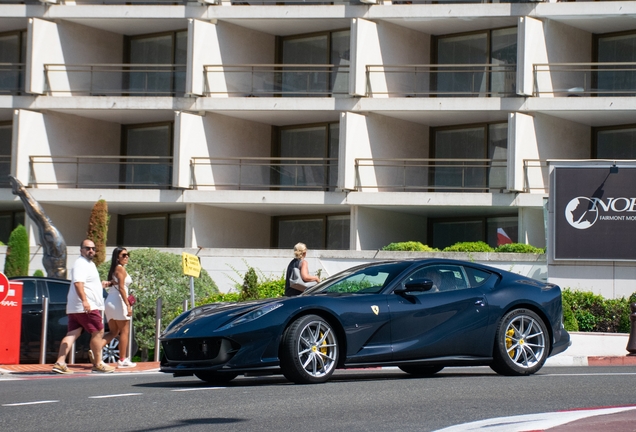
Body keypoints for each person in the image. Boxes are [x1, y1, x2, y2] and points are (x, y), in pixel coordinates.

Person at [52, 239, 115, 374]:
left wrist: (101, 285)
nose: (91, 250)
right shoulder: (81, 264)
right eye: (87, 248)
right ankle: (98, 364)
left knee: (72, 333)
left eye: (93, 248)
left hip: (77, 308)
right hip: (87, 307)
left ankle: (60, 362)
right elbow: (78, 284)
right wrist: (85, 301)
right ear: (81, 250)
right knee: (98, 332)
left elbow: (86, 284)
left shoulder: (88, 264)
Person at [102, 247, 136, 368]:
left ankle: (97, 348)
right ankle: (122, 359)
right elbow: (121, 288)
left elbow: (115, 283)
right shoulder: (120, 269)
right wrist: (128, 305)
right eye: (124, 255)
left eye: (128, 255)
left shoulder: (114, 269)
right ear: (117, 257)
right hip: (119, 302)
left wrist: (109, 282)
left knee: (113, 332)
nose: (126, 257)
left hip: (110, 302)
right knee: (124, 332)